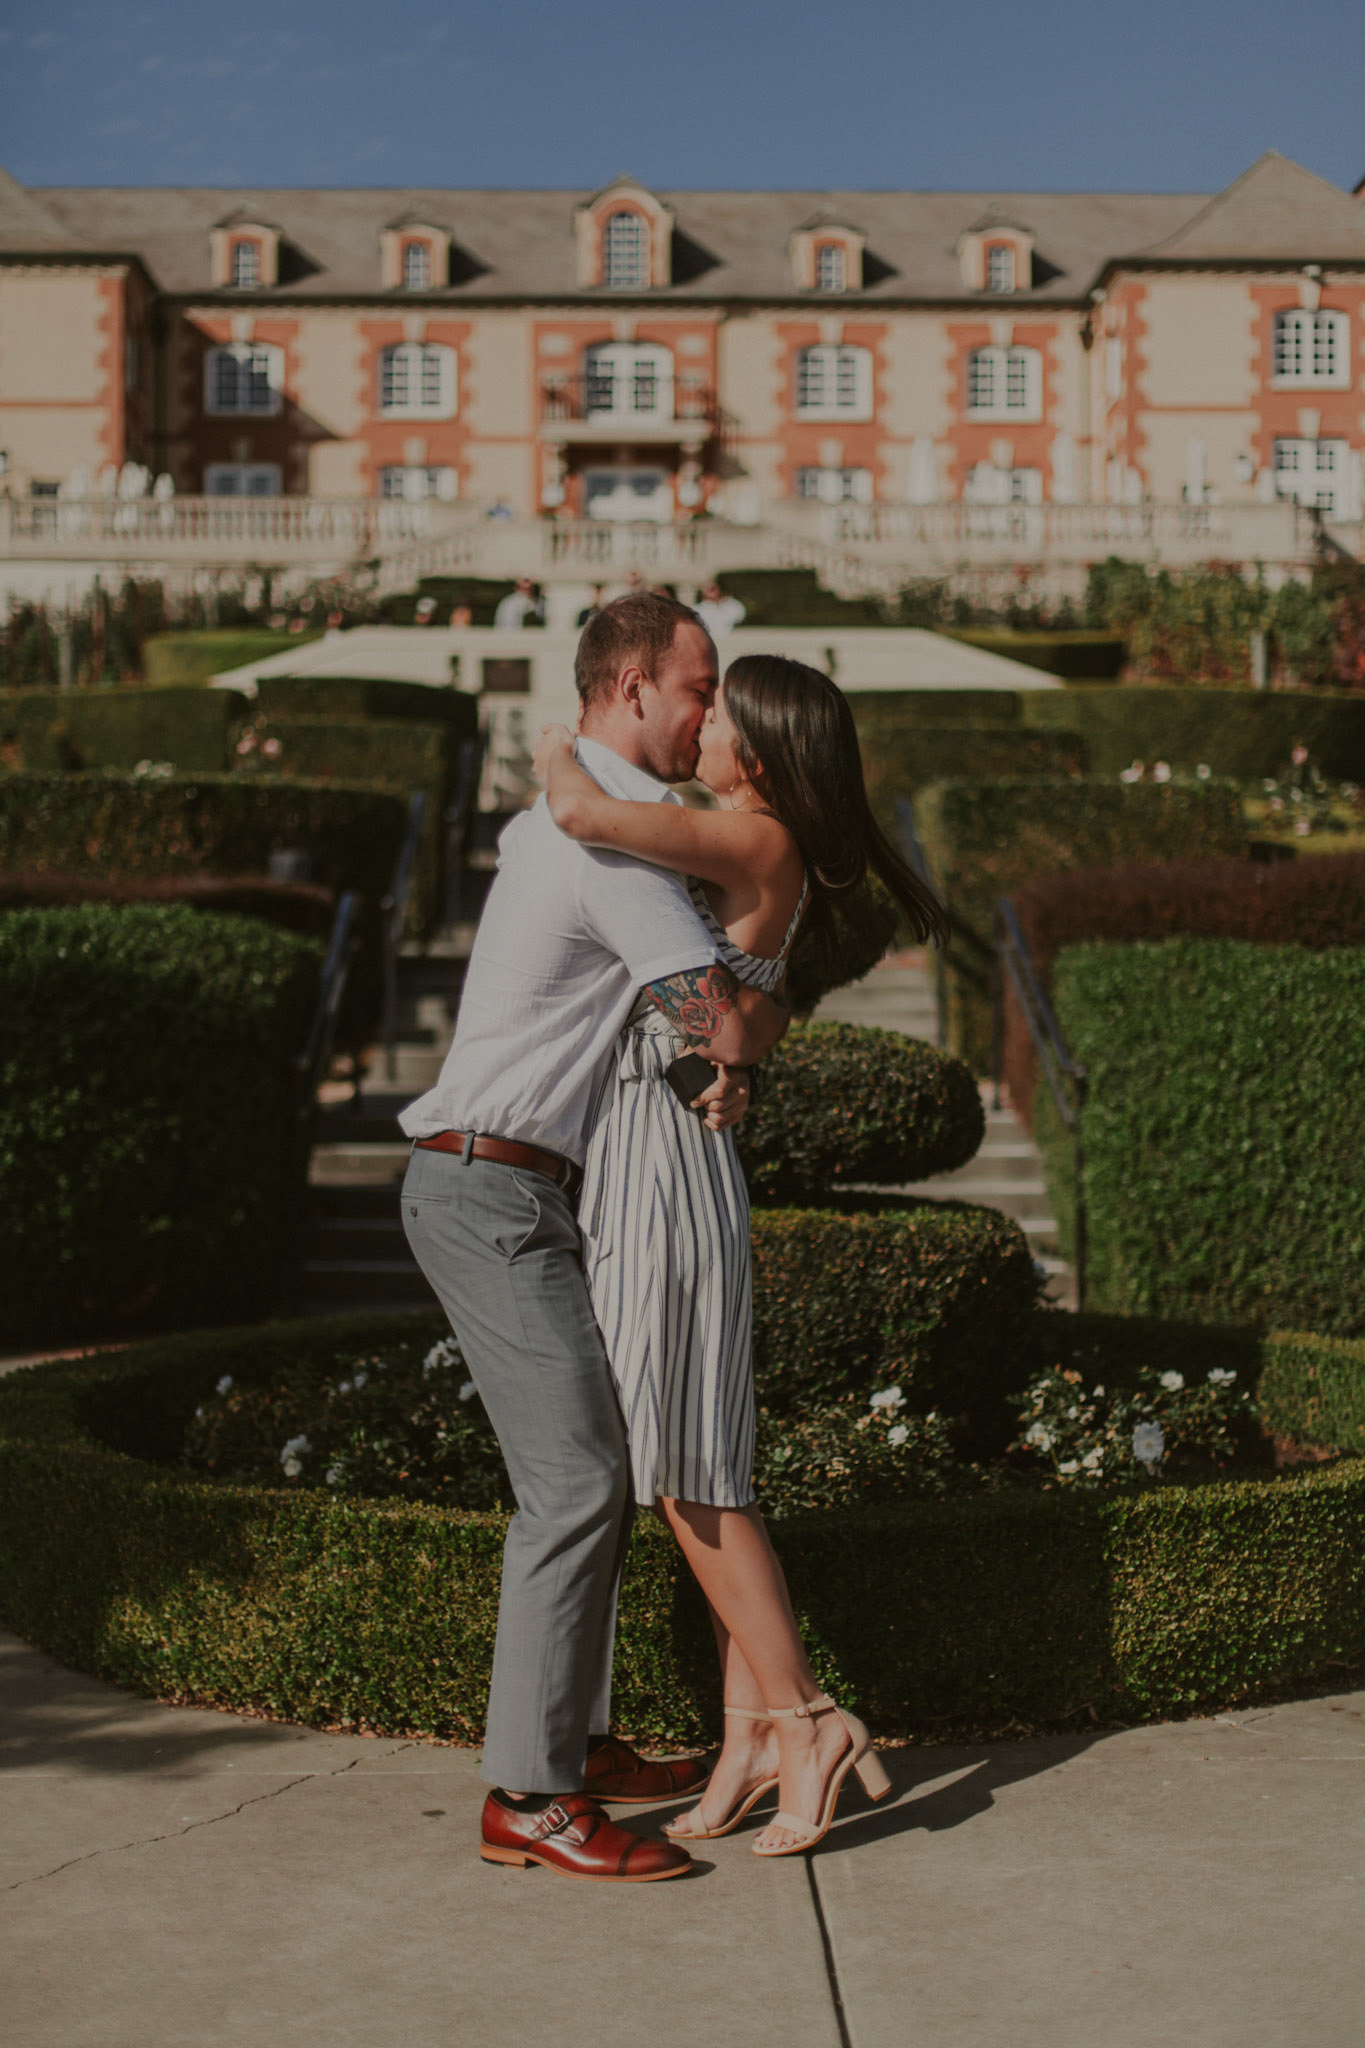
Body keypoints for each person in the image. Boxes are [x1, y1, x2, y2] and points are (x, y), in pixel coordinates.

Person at [399, 594, 790, 1884]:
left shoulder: (576, 819)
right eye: (697, 686)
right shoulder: (612, 855)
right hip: (487, 1189)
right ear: (631, 688)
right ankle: (530, 1794)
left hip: (511, 1187)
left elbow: (671, 1033)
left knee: (593, 1462)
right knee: (574, 1482)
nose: (707, 709)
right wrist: (764, 935)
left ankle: (575, 1740)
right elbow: (711, 1016)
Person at [533, 653, 948, 1856]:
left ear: (759, 747)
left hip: (663, 1155)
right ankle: (749, 1734)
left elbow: (578, 810)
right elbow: (734, 1015)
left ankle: (807, 1716)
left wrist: (561, 741)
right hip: (651, 1140)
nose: (701, 721)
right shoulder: (734, 839)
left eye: (720, 711)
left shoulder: (751, 839)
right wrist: (743, 1051)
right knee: (691, 1452)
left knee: (684, 1461)